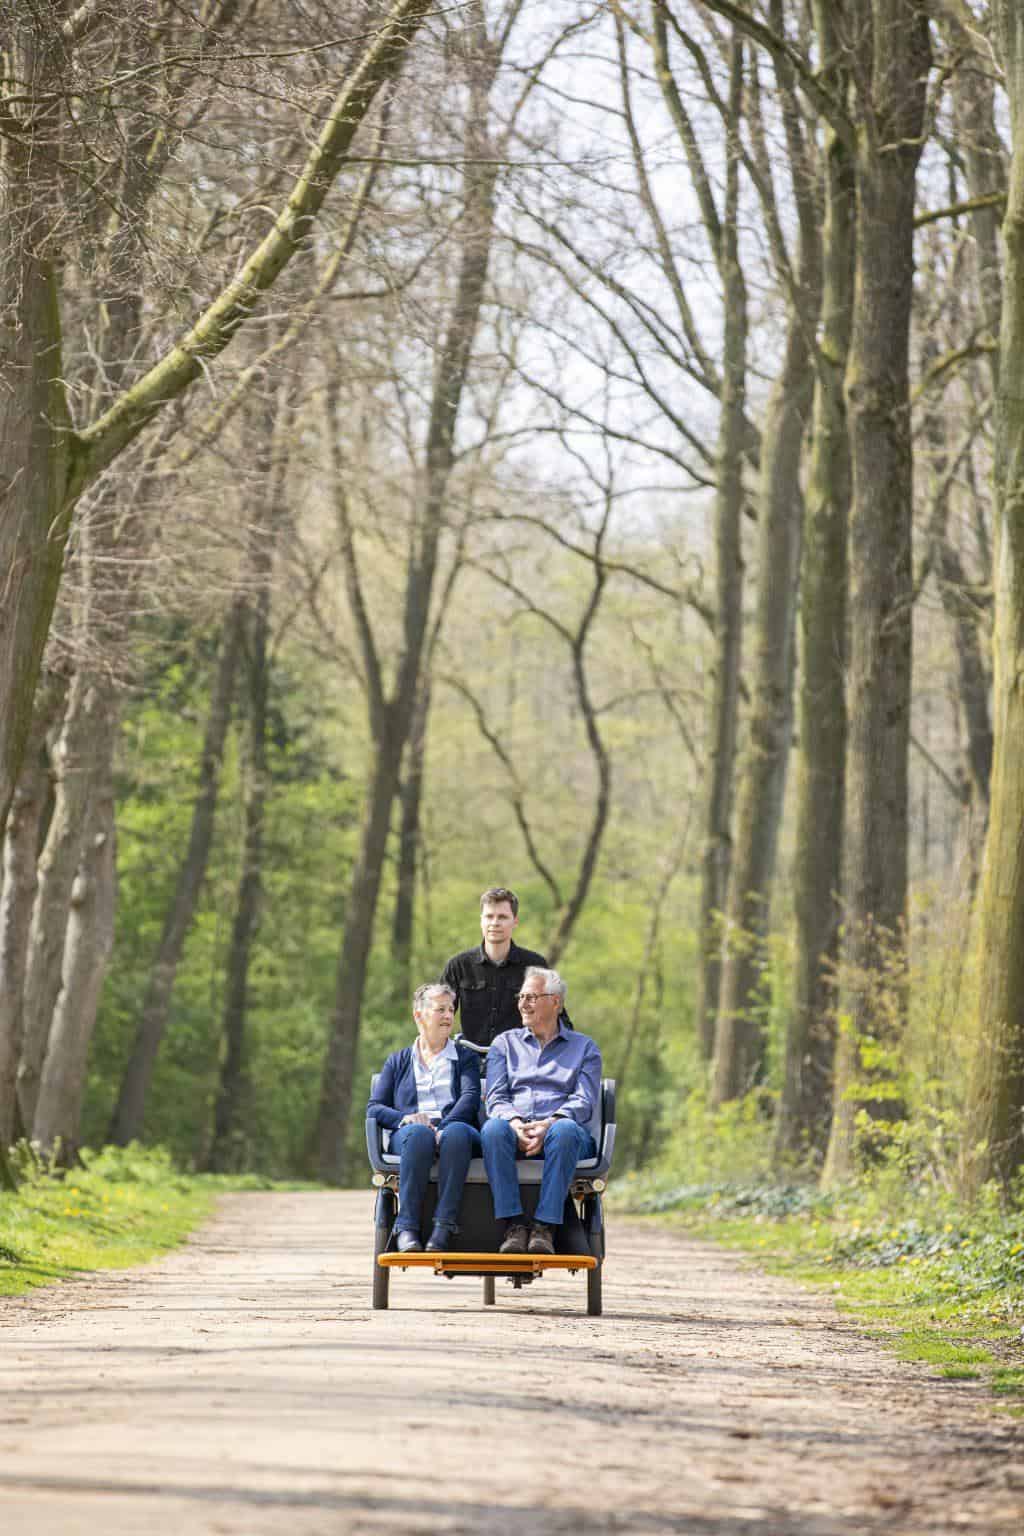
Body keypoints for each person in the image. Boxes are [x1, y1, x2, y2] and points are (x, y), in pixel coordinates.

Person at [480, 966, 601, 1257]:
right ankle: (514, 1225)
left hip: (565, 1136)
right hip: (514, 1130)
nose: (523, 1003)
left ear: (555, 1002)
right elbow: (495, 1096)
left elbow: (583, 1100)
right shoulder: (504, 1044)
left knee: (566, 1130)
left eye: (532, 997)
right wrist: (515, 1122)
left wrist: (550, 1122)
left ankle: (545, 1227)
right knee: (493, 1129)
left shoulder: (585, 1048)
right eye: (521, 996)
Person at [366, 983, 481, 1254]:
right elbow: (374, 1108)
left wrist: (447, 1125)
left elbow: (470, 1097)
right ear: (419, 1015)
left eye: (451, 1010)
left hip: (456, 1129)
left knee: (456, 1135)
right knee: (420, 1134)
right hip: (412, 1132)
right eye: (440, 1009)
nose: (448, 1016)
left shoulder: (465, 1058)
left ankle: (443, 1227)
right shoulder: (398, 1061)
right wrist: (406, 1118)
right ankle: (406, 1228)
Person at [440, 886, 551, 1048]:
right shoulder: (458, 966)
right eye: (489, 916)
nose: (494, 923)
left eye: (502, 917)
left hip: (520, 1059)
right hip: (470, 1059)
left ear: (515, 921)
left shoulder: (535, 965)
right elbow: (437, 1015)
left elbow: (555, 1017)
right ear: (481, 920)